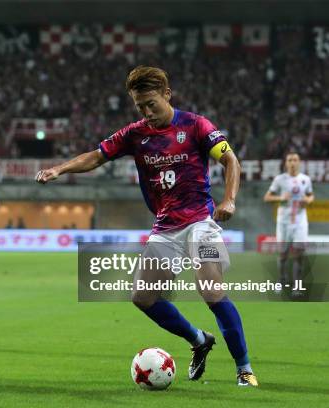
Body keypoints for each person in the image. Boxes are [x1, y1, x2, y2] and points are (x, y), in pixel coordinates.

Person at [36, 66, 257, 387]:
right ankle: (198, 339)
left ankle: (244, 368)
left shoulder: (196, 125)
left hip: (201, 223)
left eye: (151, 103)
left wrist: (230, 200)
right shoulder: (135, 134)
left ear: (167, 94)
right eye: (139, 106)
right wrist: (59, 169)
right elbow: (97, 156)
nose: (146, 112)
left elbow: (230, 160)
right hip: (166, 228)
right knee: (143, 297)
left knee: (212, 291)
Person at [263, 152, 314, 297]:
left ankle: (296, 288)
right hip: (284, 221)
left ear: (299, 162)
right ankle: (281, 279)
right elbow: (267, 197)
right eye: (290, 160)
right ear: (286, 163)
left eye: (295, 160)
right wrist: (280, 197)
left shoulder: (305, 179)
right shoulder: (280, 179)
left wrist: (309, 200)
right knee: (283, 254)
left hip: (300, 221)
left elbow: (310, 195)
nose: (292, 162)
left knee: (299, 254)